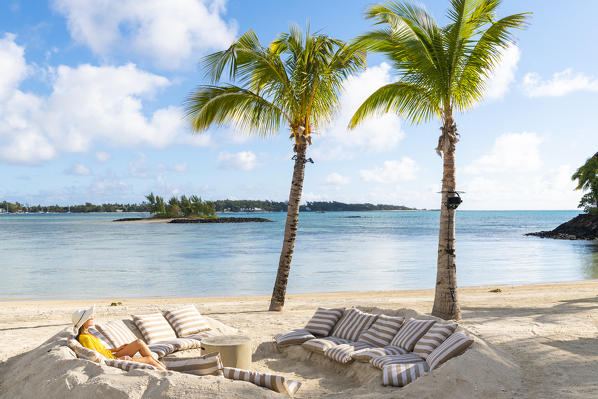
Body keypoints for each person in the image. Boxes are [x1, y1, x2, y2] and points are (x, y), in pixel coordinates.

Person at [72, 306, 166, 370]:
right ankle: (164, 371)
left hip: (113, 355)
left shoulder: (89, 333)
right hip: (112, 361)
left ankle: (160, 366)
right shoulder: (84, 338)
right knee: (149, 359)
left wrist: (116, 349)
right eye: (89, 316)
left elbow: (101, 350)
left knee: (139, 342)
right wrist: (119, 360)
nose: (92, 317)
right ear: (83, 322)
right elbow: (95, 357)